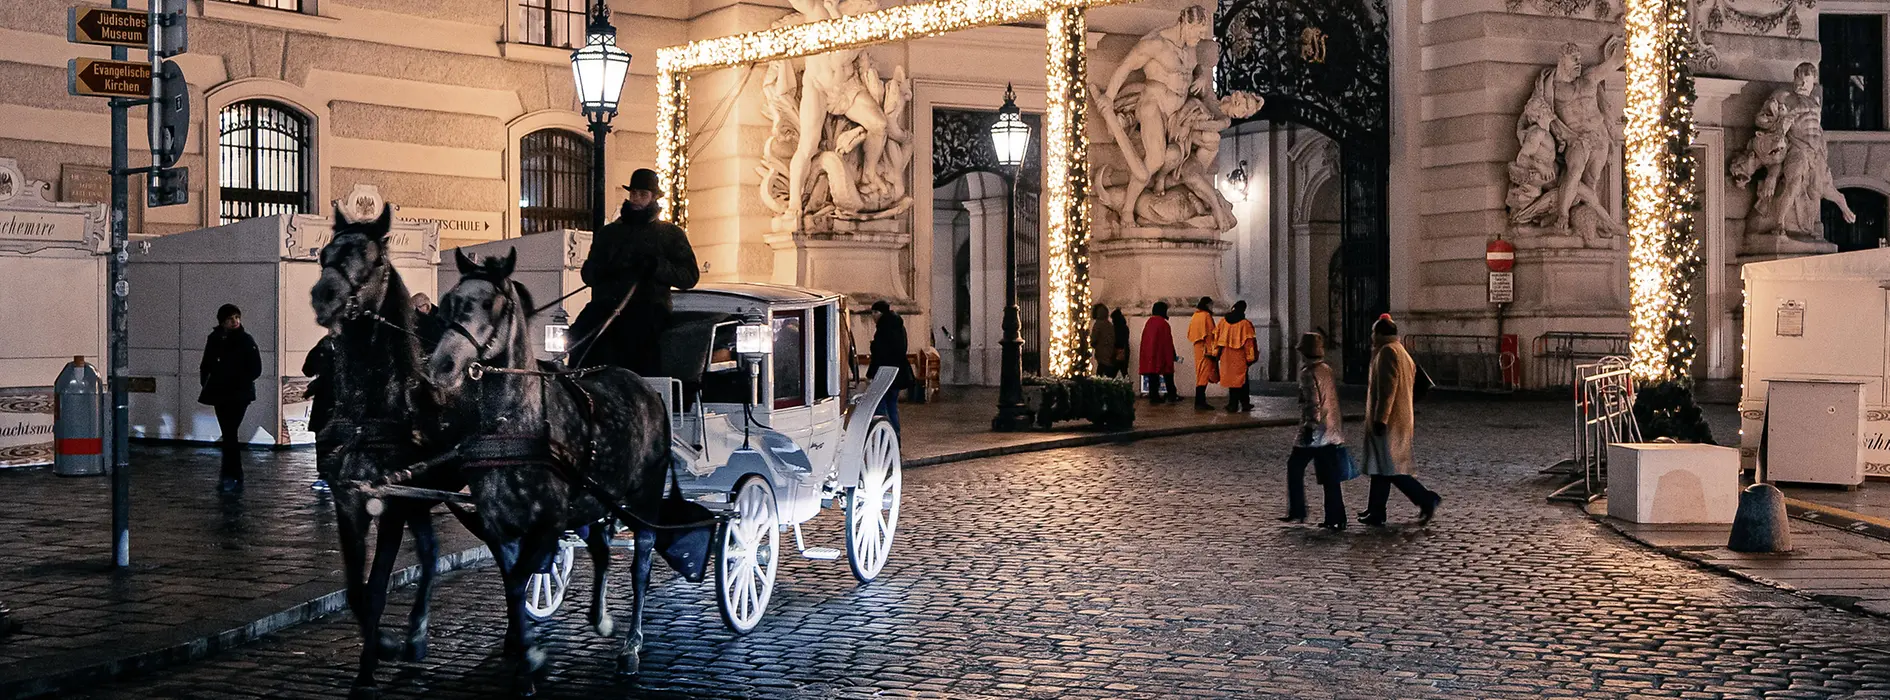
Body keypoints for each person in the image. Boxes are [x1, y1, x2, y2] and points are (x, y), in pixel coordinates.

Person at [569, 168, 701, 375]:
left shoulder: (670, 234)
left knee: (639, 346)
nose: (636, 199)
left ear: (654, 198)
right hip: (605, 309)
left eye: (643, 194)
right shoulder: (609, 233)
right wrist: (608, 269)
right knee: (577, 337)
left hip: (648, 310)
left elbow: (689, 276)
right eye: (633, 194)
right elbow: (589, 273)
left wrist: (656, 266)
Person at [1358, 314, 1441, 526]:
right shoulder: (1401, 352)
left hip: (1389, 420)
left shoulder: (1387, 353)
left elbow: (1388, 390)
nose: (1371, 337)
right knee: (1381, 467)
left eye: (1373, 333)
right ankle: (1376, 510)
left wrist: (1380, 419)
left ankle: (1425, 498)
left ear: (1379, 334)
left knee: (1390, 469)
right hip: (1399, 417)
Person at [1283, 332, 1347, 530]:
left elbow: (1312, 403)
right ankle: (1337, 516)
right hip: (1331, 430)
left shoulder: (1307, 373)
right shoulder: (1326, 370)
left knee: (1294, 467)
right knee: (1331, 477)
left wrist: (1309, 427)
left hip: (1314, 432)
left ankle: (1298, 509)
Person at [200, 304, 261, 492]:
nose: (235, 321)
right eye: (230, 319)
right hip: (221, 392)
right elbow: (206, 364)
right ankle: (232, 474)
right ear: (222, 322)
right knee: (229, 433)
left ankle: (231, 474)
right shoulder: (215, 339)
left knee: (229, 432)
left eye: (236, 317)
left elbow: (255, 368)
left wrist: (239, 381)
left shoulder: (245, 340)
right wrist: (208, 382)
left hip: (238, 394)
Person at [868, 300, 913, 432]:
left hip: (885, 373)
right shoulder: (898, 326)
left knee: (880, 406)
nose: (873, 316)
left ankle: (885, 437)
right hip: (898, 373)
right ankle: (895, 437)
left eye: (875, 312)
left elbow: (880, 355)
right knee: (892, 405)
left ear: (882, 313)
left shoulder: (883, 329)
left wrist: (871, 374)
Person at [302, 335, 336, 493]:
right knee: (323, 437)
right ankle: (325, 474)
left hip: (342, 400)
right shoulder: (325, 344)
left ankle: (330, 474)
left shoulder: (353, 344)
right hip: (326, 399)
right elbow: (308, 369)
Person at [1216, 300, 1256, 413]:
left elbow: (1216, 338)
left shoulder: (1223, 321)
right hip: (1240, 356)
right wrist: (1250, 358)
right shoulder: (1245, 324)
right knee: (1242, 380)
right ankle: (1244, 403)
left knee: (1231, 381)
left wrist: (1216, 355)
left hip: (1226, 355)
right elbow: (1249, 343)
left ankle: (1232, 404)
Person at [1138, 301, 1180, 404]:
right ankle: (1171, 395)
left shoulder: (1149, 322)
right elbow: (1167, 341)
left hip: (1150, 355)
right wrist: (1172, 355)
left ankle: (1154, 397)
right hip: (1161, 354)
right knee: (1168, 376)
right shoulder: (1163, 324)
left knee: (1153, 377)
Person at [1186, 297, 1218, 410]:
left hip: (1198, 348)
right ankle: (1200, 402)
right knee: (1204, 376)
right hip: (1206, 350)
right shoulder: (1207, 316)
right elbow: (1211, 334)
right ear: (1208, 304)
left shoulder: (1195, 315)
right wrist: (1213, 351)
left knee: (1200, 374)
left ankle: (1200, 401)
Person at [1088, 304, 1117, 377]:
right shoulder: (1109, 325)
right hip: (1110, 355)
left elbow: (1093, 339)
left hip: (1101, 355)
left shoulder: (1098, 324)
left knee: (1100, 376)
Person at [1110, 308, 1131, 379]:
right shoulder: (1125, 327)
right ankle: (1128, 387)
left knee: (1112, 374)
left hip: (1117, 352)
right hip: (1125, 352)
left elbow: (1117, 341)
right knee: (1124, 372)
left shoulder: (1115, 328)